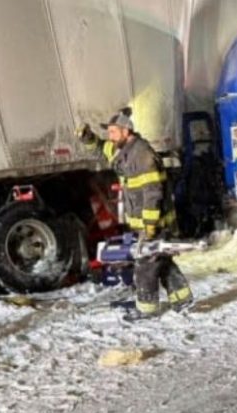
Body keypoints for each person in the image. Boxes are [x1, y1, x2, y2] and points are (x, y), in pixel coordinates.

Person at [79, 108, 191, 320]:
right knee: (162, 260)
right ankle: (182, 298)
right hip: (144, 222)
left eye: (113, 132)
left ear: (126, 131)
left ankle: (146, 309)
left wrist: (149, 225)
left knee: (145, 264)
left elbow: (153, 192)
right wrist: (88, 138)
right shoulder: (124, 150)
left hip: (154, 222)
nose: (110, 136)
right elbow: (102, 149)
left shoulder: (142, 154)